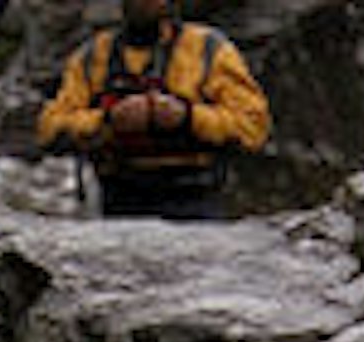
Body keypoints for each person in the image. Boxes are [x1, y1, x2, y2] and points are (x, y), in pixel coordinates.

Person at [36, 0, 269, 221]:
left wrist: (187, 117)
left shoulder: (209, 49)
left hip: (195, 198)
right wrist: (107, 120)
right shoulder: (93, 56)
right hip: (115, 199)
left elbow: (253, 127)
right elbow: (49, 128)